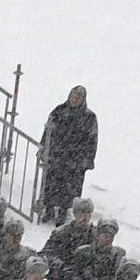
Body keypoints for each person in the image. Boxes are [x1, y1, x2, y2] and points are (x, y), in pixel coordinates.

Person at [37, 87, 97, 225]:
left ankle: (63, 212)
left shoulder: (89, 117)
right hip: (56, 155)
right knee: (51, 183)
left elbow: (92, 139)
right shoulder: (59, 111)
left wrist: (87, 159)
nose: (75, 99)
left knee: (70, 186)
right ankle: (49, 209)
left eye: (79, 97)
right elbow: (48, 130)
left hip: (75, 159)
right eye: (74, 95)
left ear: (83, 99)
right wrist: (43, 148)